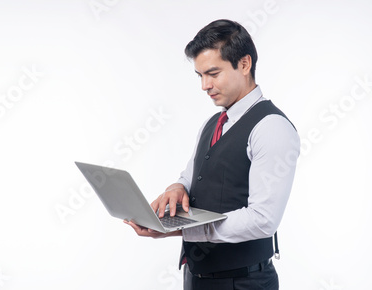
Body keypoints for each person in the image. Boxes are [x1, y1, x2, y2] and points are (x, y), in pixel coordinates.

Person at [124, 19, 300, 290]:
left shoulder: (271, 127)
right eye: (200, 75)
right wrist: (177, 187)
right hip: (196, 277)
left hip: (244, 282)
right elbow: (192, 175)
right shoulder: (213, 123)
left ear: (244, 64)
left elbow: (263, 219)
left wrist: (180, 229)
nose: (205, 85)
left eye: (213, 73)